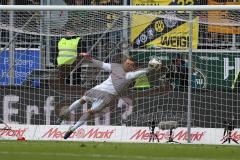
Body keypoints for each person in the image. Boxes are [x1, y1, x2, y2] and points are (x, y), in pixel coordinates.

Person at [57, 53, 151, 139]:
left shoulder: (130, 75)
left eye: (129, 64)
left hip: (107, 96)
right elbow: (102, 64)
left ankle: (72, 129)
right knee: (82, 100)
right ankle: (65, 113)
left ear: (133, 67)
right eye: (126, 63)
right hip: (99, 89)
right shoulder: (116, 67)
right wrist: (90, 58)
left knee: (90, 112)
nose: (126, 65)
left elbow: (141, 72)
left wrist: (149, 69)